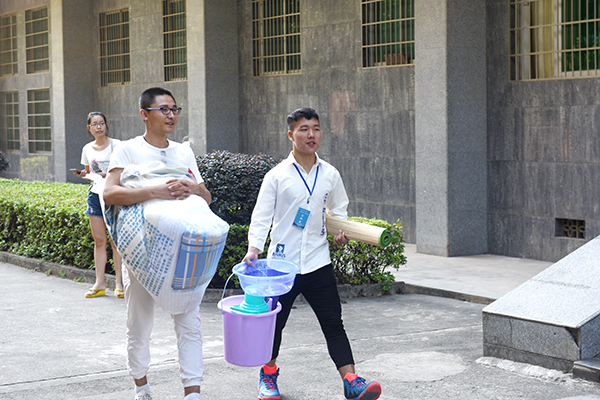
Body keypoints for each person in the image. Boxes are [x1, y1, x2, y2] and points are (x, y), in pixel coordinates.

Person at [242, 108, 382, 400]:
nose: (311, 135)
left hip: (319, 263)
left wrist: (341, 231)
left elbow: (339, 209)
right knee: (274, 325)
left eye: (316, 128)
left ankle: (351, 381)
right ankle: (268, 376)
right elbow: (261, 216)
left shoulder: (330, 173)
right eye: (304, 129)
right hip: (282, 268)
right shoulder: (276, 176)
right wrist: (254, 249)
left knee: (333, 324)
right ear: (290, 134)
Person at [103, 87, 212, 400]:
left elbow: (206, 197)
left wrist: (192, 188)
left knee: (189, 320)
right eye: (164, 109)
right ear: (144, 114)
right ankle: (142, 387)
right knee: (139, 322)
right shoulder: (127, 150)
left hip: (182, 251)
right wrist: (155, 191)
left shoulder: (184, 152)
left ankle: (193, 392)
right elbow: (109, 193)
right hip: (142, 250)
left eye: (174, 109)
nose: (171, 115)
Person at [72, 111, 124, 298]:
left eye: (101, 123)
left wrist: (105, 175)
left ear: (106, 125)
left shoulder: (117, 145)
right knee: (99, 241)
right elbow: (89, 173)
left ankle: (120, 284)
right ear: (89, 128)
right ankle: (99, 283)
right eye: (95, 124)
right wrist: (83, 175)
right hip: (95, 196)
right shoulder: (87, 148)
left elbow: (125, 171)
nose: (99, 127)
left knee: (115, 241)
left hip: (114, 195)